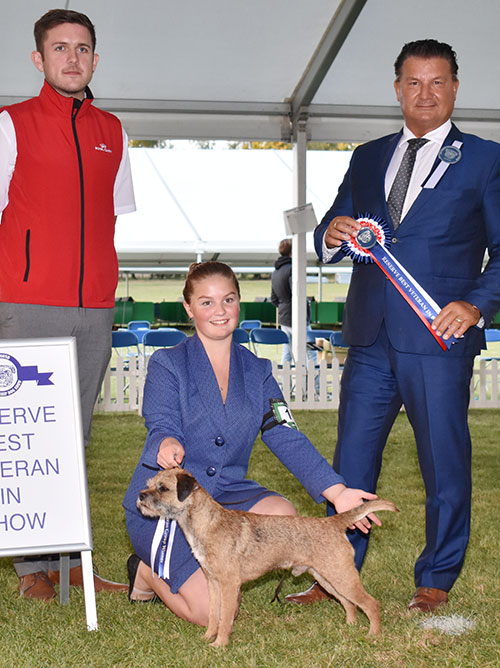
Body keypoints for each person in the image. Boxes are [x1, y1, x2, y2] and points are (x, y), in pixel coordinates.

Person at [286, 39, 500, 612]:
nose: (424, 93)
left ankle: (435, 578)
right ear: (397, 88)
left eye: (436, 82)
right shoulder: (368, 154)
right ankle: (338, 575)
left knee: (444, 462)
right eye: (413, 82)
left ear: (455, 87)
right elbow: (333, 221)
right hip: (371, 334)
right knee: (351, 462)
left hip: (439, 335)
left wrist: (476, 304)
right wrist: (331, 232)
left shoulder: (486, 158)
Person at [123, 261, 379, 626]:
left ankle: (222, 570)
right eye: (207, 302)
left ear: (239, 303)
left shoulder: (258, 372)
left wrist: (336, 492)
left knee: (284, 518)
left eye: (228, 300)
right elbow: (160, 421)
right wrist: (166, 441)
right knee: (211, 612)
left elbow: (284, 431)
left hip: (227, 494)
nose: (219, 311)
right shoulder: (168, 364)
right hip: (173, 501)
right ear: (188, 307)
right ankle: (146, 572)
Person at [0, 9, 136, 599]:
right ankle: (34, 570)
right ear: (39, 59)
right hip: (26, 300)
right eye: (60, 49)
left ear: (95, 59)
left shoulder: (113, 130)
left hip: (94, 308)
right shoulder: (11, 124)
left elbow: (114, 217)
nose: (72, 58)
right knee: (27, 436)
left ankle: (70, 564)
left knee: (73, 438)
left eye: (83, 48)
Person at [270, 238, 316, 365]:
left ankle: (286, 385)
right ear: (293, 251)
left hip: (283, 317)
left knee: (287, 352)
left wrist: (283, 306)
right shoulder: (293, 269)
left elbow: (273, 298)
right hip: (297, 316)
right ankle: (314, 384)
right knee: (311, 351)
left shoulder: (275, 272)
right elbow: (296, 293)